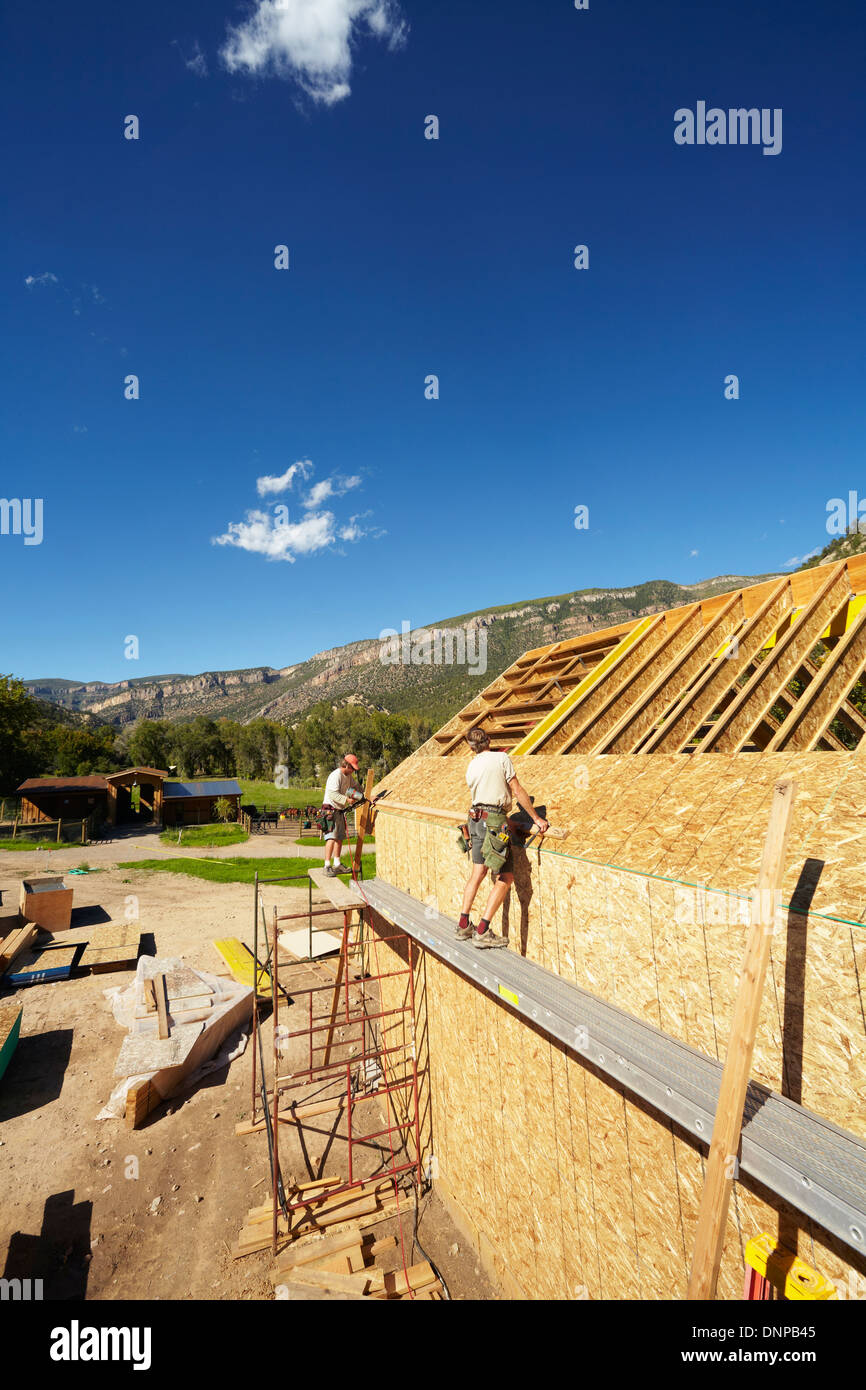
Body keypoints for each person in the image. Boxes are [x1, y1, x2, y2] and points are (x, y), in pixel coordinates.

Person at [457, 728, 549, 948]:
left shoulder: (471, 766)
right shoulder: (501, 758)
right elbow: (516, 790)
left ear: (471, 747)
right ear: (489, 740)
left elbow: (486, 798)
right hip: (493, 822)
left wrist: (508, 822)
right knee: (506, 877)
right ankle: (482, 931)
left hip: (475, 819)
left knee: (478, 872)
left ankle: (463, 925)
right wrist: (536, 818)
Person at [322, 754, 364, 877]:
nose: (353, 771)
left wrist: (365, 795)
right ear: (345, 765)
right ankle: (327, 865)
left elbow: (355, 787)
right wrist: (347, 800)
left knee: (339, 837)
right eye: (352, 768)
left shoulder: (348, 776)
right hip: (330, 809)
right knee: (331, 837)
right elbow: (333, 795)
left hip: (339, 810)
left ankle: (337, 863)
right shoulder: (335, 776)